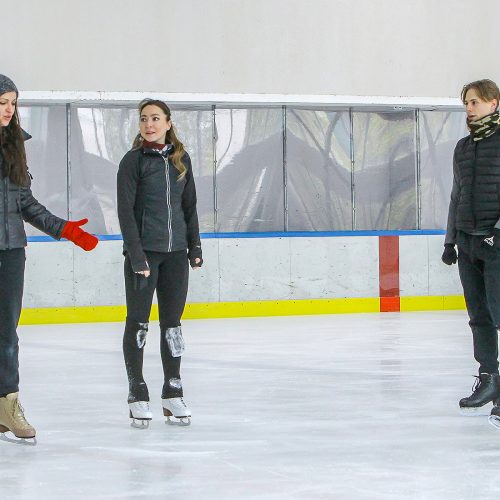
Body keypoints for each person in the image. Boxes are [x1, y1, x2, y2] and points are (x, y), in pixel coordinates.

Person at [0, 74, 98, 440]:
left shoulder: (13, 146)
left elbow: (23, 201)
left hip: (10, 250)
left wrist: (64, 229)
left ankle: (8, 407)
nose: (9, 110)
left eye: (12, 102)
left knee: (6, 334)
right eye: (2, 103)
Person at [117, 99, 202, 427]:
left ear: (168, 122)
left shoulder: (181, 160)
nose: (148, 124)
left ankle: (173, 389)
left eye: (155, 118)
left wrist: (194, 246)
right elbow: (126, 212)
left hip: (176, 256)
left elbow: (190, 206)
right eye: (143, 119)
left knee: (173, 325)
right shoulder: (133, 162)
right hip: (144, 256)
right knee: (138, 323)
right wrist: (136, 255)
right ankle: (137, 391)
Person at [442, 79, 500, 428]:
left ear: (494, 103)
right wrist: (451, 240)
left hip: (497, 244)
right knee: (478, 316)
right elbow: (456, 195)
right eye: (466, 103)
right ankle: (489, 378)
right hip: (468, 243)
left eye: (475, 102)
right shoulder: (463, 148)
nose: (469, 108)